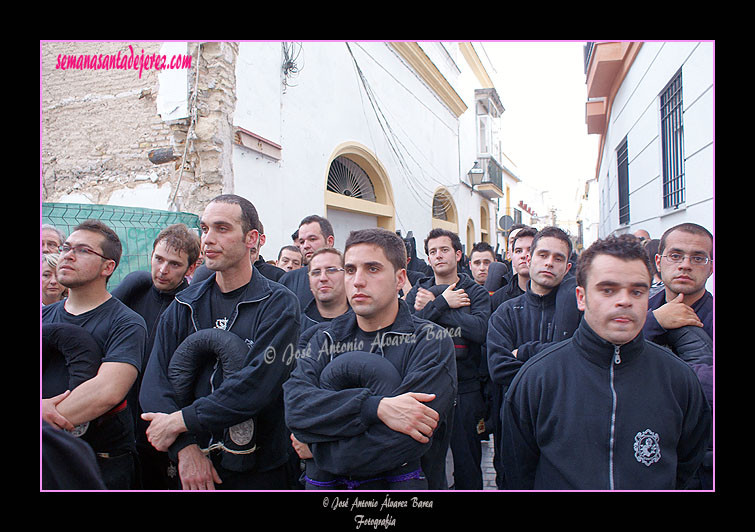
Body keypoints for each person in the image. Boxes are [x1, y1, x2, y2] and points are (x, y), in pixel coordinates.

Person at [501, 234, 711, 490]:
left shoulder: (678, 379)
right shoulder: (538, 379)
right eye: (608, 289)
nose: (624, 300)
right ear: (581, 297)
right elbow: (518, 472)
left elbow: (686, 465)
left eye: (636, 290)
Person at [139, 194, 300, 490]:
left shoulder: (278, 304)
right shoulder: (184, 305)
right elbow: (155, 384)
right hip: (191, 470)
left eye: (222, 229)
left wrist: (181, 420)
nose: (208, 239)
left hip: (260, 470)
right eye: (204, 228)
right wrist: (186, 449)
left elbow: (257, 385)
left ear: (251, 238)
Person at [283, 228, 457, 490]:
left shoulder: (430, 341)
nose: (358, 281)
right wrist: (375, 408)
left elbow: (404, 441)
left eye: (372, 269)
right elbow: (297, 408)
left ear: (400, 279)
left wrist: (318, 449)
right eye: (350, 270)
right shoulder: (323, 339)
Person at [42, 219, 148, 489]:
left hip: (102, 463)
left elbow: (107, 390)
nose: (67, 255)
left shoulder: (126, 322)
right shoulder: (44, 316)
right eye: (66, 248)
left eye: (82, 250)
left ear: (108, 267)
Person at [486, 226, 582, 488]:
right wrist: (558, 356)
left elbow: (578, 365)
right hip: (515, 424)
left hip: (566, 423)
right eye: (543, 254)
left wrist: (525, 352)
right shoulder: (506, 313)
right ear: (530, 258)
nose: (549, 262)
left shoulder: (579, 313)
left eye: (558, 258)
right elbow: (499, 368)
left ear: (568, 266)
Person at [110, 223, 201, 489]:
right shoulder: (135, 288)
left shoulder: (191, 305)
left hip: (166, 416)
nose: (162, 270)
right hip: (124, 415)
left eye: (174, 264)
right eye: (158, 259)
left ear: (191, 268)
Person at [404, 228, 491, 490]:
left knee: (467, 465)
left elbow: (479, 330)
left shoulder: (474, 292)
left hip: (466, 390)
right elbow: (408, 332)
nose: (438, 256)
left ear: (458, 254)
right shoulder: (418, 293)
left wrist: (437, 307)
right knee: (429, 467)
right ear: (427, 258)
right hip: (427, 391)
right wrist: (442, 303)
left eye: (444, 250)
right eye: (432, 252)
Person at [644, 223, 713, 343]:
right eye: (675, 256)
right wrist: (652, 322)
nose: (685, 265)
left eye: (698, 259)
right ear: (658, 262)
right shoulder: (640, 309)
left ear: (711, 268)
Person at [280, 215, 335, 311]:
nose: (305, 246)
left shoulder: (349, 277)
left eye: (312, 239)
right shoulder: (288, 280)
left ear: (329, 241)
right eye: (301, 242)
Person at [301, 247, 350, 332]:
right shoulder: (296, 327)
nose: (323, 278)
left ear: (346, 276)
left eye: (331, 270)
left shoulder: (366, 323)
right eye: (316, 272)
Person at [490, 227, 536, 311]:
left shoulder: (556, 295)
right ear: (511, 255)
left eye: (530, 250)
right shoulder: (498, 298)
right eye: (518, 251)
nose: (523, 255)